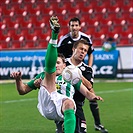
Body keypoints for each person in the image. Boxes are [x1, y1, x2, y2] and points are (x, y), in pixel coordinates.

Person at [10, 16, 103, 133]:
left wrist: (93, 96)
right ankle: (54, 34)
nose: (56, 65)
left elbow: (87, 93)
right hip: (47, 103)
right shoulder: (43, 76)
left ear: (65, 65)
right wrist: (18, 79)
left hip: (62, 106)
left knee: (69, 103)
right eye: (54, 62)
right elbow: (22, 90)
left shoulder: (70, 75)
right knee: (49, 73)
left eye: (58, 63)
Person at [57, 18, 108, 133]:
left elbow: (89, 85)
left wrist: (78, 74)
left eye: (85, 50)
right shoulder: (64, 64)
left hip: (78, 105)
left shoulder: (87, 69)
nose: (83, 52)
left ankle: (98, 123)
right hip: (63, 104)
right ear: (74, 49)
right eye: (81, 49)